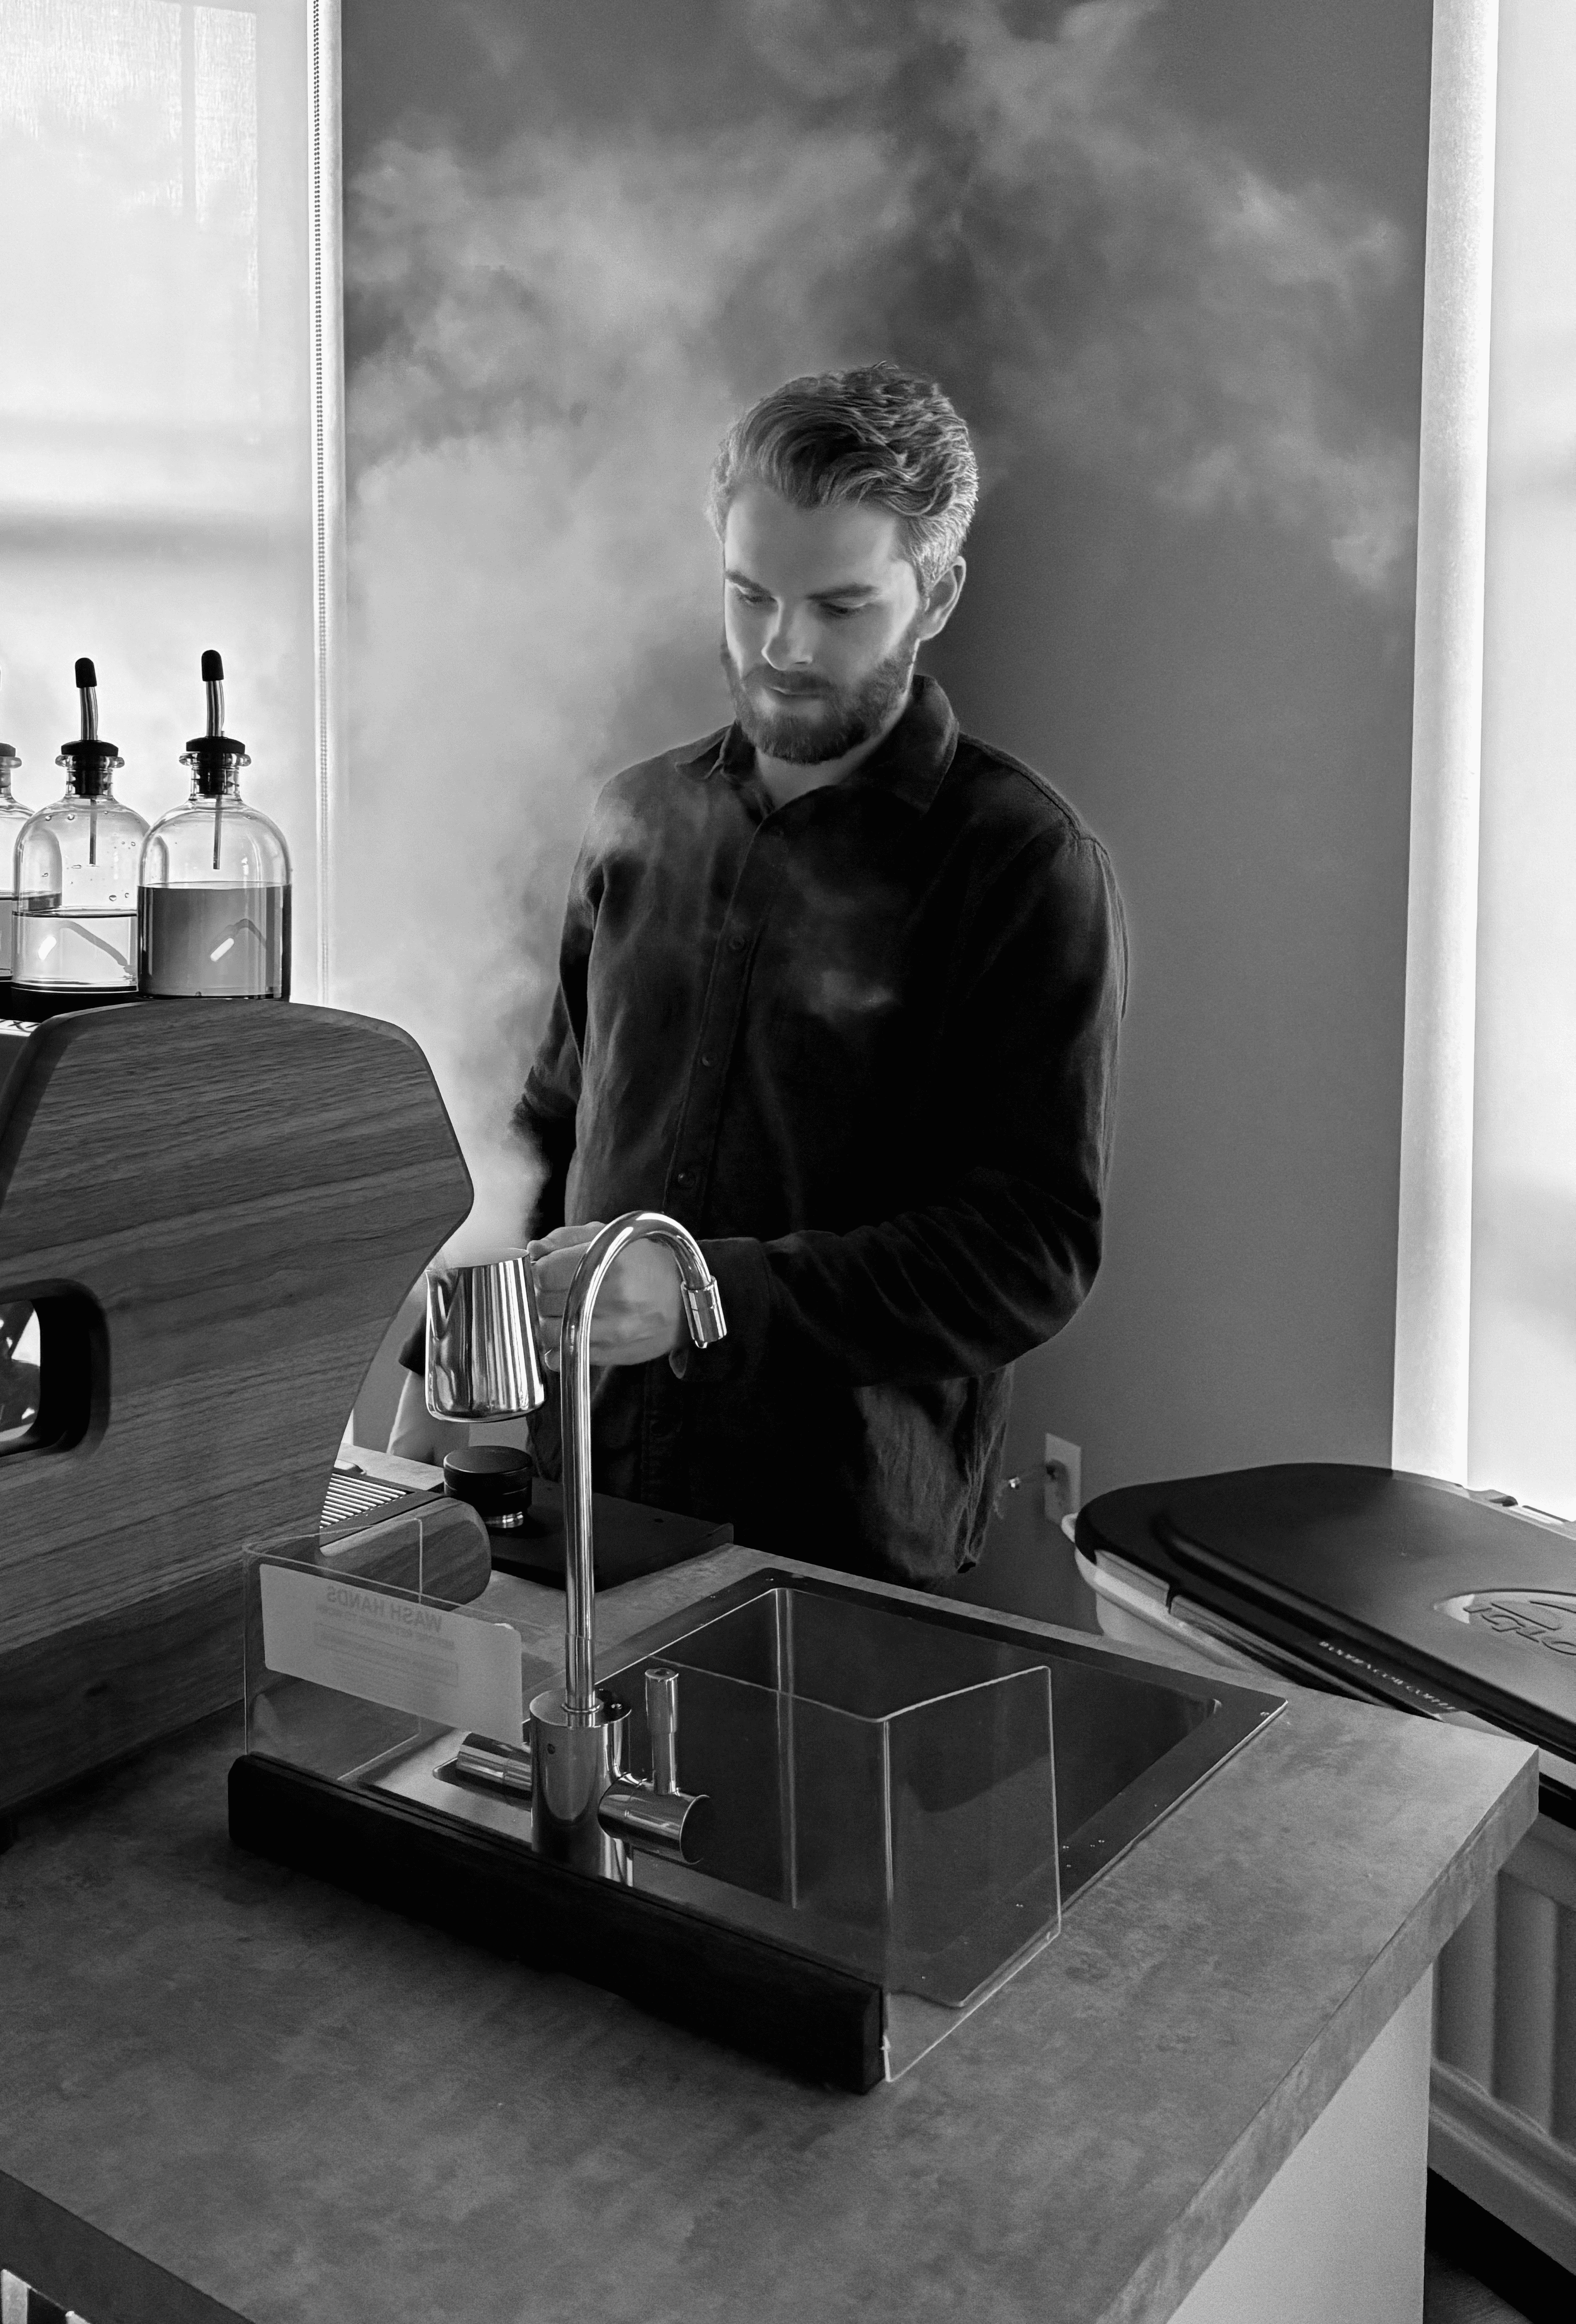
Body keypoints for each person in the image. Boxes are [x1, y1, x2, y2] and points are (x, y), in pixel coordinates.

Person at [397, 363, 1125, 1586]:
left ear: (935, 594)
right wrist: (443, 1378)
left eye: (841, 608)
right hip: (583, 1497)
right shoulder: (636, 817)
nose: (783, 649)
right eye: (750, 597)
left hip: (837, 1545)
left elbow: (1028, 1250)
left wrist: (705, 1299)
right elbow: (553, 1130)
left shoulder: (1021, 866)